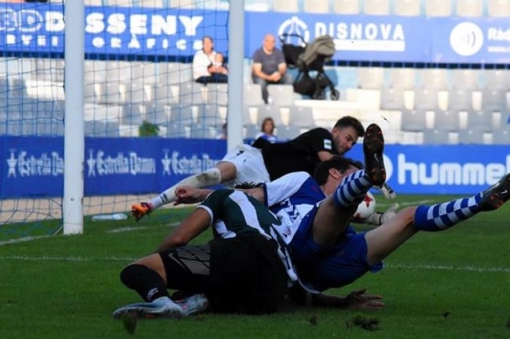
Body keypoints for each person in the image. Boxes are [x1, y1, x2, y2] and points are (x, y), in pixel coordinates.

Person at [175, 123, 510, 294]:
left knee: (407, 219)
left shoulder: (337, 208)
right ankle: (368, 179)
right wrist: (202, 195)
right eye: (356, 174)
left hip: (330, 271)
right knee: (332, 209)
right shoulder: (300, 182)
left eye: (366, 176)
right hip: (296, 249)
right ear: (336, 172)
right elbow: (245, 198)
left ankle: (479, 202)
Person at [130, 116, 365, 219]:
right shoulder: (323, 138)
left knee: (229, 207)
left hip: (264, 185)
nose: (349, 144)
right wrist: (360, 175)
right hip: (257, 158)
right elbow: (330, 160)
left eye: (353, 142)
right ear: (335, 131)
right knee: (213, 175)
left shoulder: (322, 175)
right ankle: (151, 204)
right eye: (348, 137)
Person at [112, 189, 295, 320]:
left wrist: (155, 266)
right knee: (185, 292)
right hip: (272, 295)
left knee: (136, 270)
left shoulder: (224, 194)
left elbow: (179, 238)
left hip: (244, 252)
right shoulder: (271, 218)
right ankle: (196, 300)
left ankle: (161, 302)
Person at [251, 34, 292, 104]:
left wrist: (279, 73)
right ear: (264, 42)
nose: (270, 44)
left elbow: (283, 67)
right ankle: (266, 102)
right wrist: (270, 78)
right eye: (268, 41)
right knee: (261, 83)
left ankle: (282, 101)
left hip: (276, 76)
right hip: (262, 76)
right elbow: (257, 72)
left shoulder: (278, 52)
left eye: (272, 42)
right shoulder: (258, 53)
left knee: (288, 78)